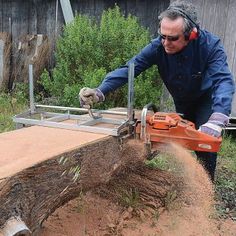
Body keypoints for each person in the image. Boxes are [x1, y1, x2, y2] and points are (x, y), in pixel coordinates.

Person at [79, 1, 235, 181]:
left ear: (191, 35)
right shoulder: (158, 46)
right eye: (163, 36)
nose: (166, 42)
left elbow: (223, 80)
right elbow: (129, 68)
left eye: (173, 38)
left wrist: (218, 117)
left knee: (204, 147)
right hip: (182, 100)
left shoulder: (210, 46)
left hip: (205, 100)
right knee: (182, 142)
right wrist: (100, 91)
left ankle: (207, 191)